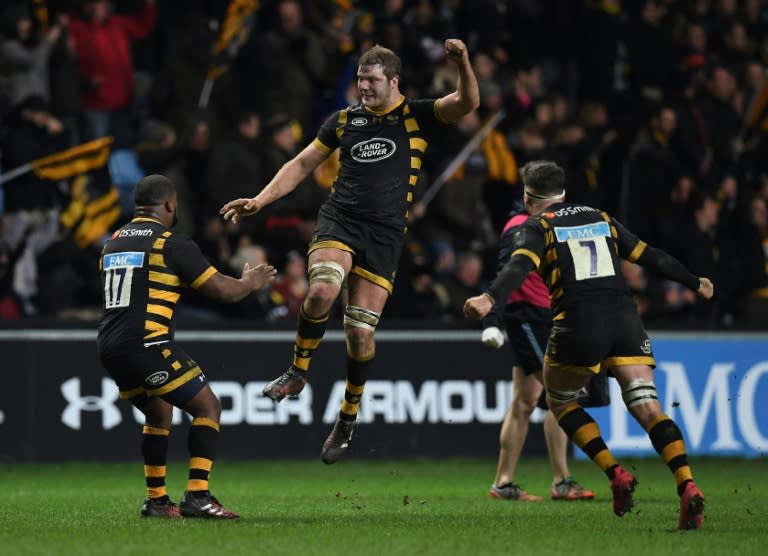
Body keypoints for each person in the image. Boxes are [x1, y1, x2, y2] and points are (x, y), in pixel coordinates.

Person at [221, 40, 479, 464]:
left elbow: (468, 102)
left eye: (372, 80)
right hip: (340, 220)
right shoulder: (343, 121)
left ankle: (347, 418)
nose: (364, 87)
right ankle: (298, 372)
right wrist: (259, 200)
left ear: (394, 81)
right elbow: (302, 164)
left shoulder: (416, 114)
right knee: (322, 291)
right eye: (360, 79)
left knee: (360, 334)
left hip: (384, 235)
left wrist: (463, 63)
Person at [464, 161, 713, 530]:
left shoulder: (538, 226)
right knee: (648, 408)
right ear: (563, 193)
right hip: (626, 323)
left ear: (528, 198)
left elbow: (517, 268)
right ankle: (687, 482)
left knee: (560, 402)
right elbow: (652, 256)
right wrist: (695, 282)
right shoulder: (601, 218)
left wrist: (489, 299)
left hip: (579, 325)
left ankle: (615, 473)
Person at [97, 174, 276, 519]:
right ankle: (198, 495)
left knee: (159, 412)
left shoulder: (113, 242)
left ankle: (157, 501)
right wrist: (249, 282)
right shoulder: (170, 242)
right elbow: (222, 291)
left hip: (109, 346)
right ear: (169, 204)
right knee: (207, 406)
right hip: (147, 343)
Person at [482, 202, 599, 502]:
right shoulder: (521, 226)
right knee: (562, 396)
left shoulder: (542, 223)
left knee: (524, 402)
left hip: (543, 317)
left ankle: (503, 483)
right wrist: (492, 320)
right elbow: (503, 272)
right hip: (529, 318)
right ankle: (561, 481)